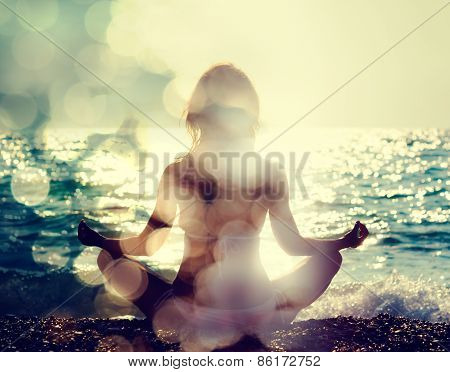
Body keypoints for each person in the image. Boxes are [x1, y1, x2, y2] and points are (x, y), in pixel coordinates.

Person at [78, 63, 368, 345]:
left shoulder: (177, 172)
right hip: (258, 315)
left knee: (108, 260)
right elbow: (290, 245)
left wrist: (103, 242)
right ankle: (266, 316)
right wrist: (342, 241)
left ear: (198, 114)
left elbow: (149, 245)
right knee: (332, 259)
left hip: (187, 317)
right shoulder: (270, 172)